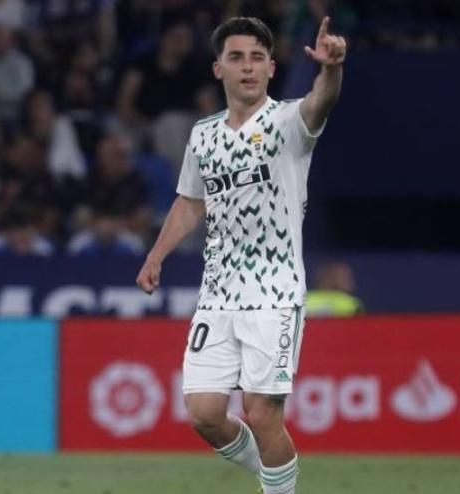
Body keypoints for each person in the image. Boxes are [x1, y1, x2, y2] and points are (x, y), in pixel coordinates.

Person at [136, 16, 346, 494]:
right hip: (217, 295)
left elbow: (321, 100)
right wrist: (156, 255)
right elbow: (191, 201)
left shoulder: (289, 122)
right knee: (205, 414)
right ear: (219, 69)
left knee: (262, 412)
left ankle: (278, 486)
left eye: (257, 58)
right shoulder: (204, 135)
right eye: (236, 57)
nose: (247, 67)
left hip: (274, 293)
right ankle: (276, 475)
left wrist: (331, 69)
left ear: (271, 68)